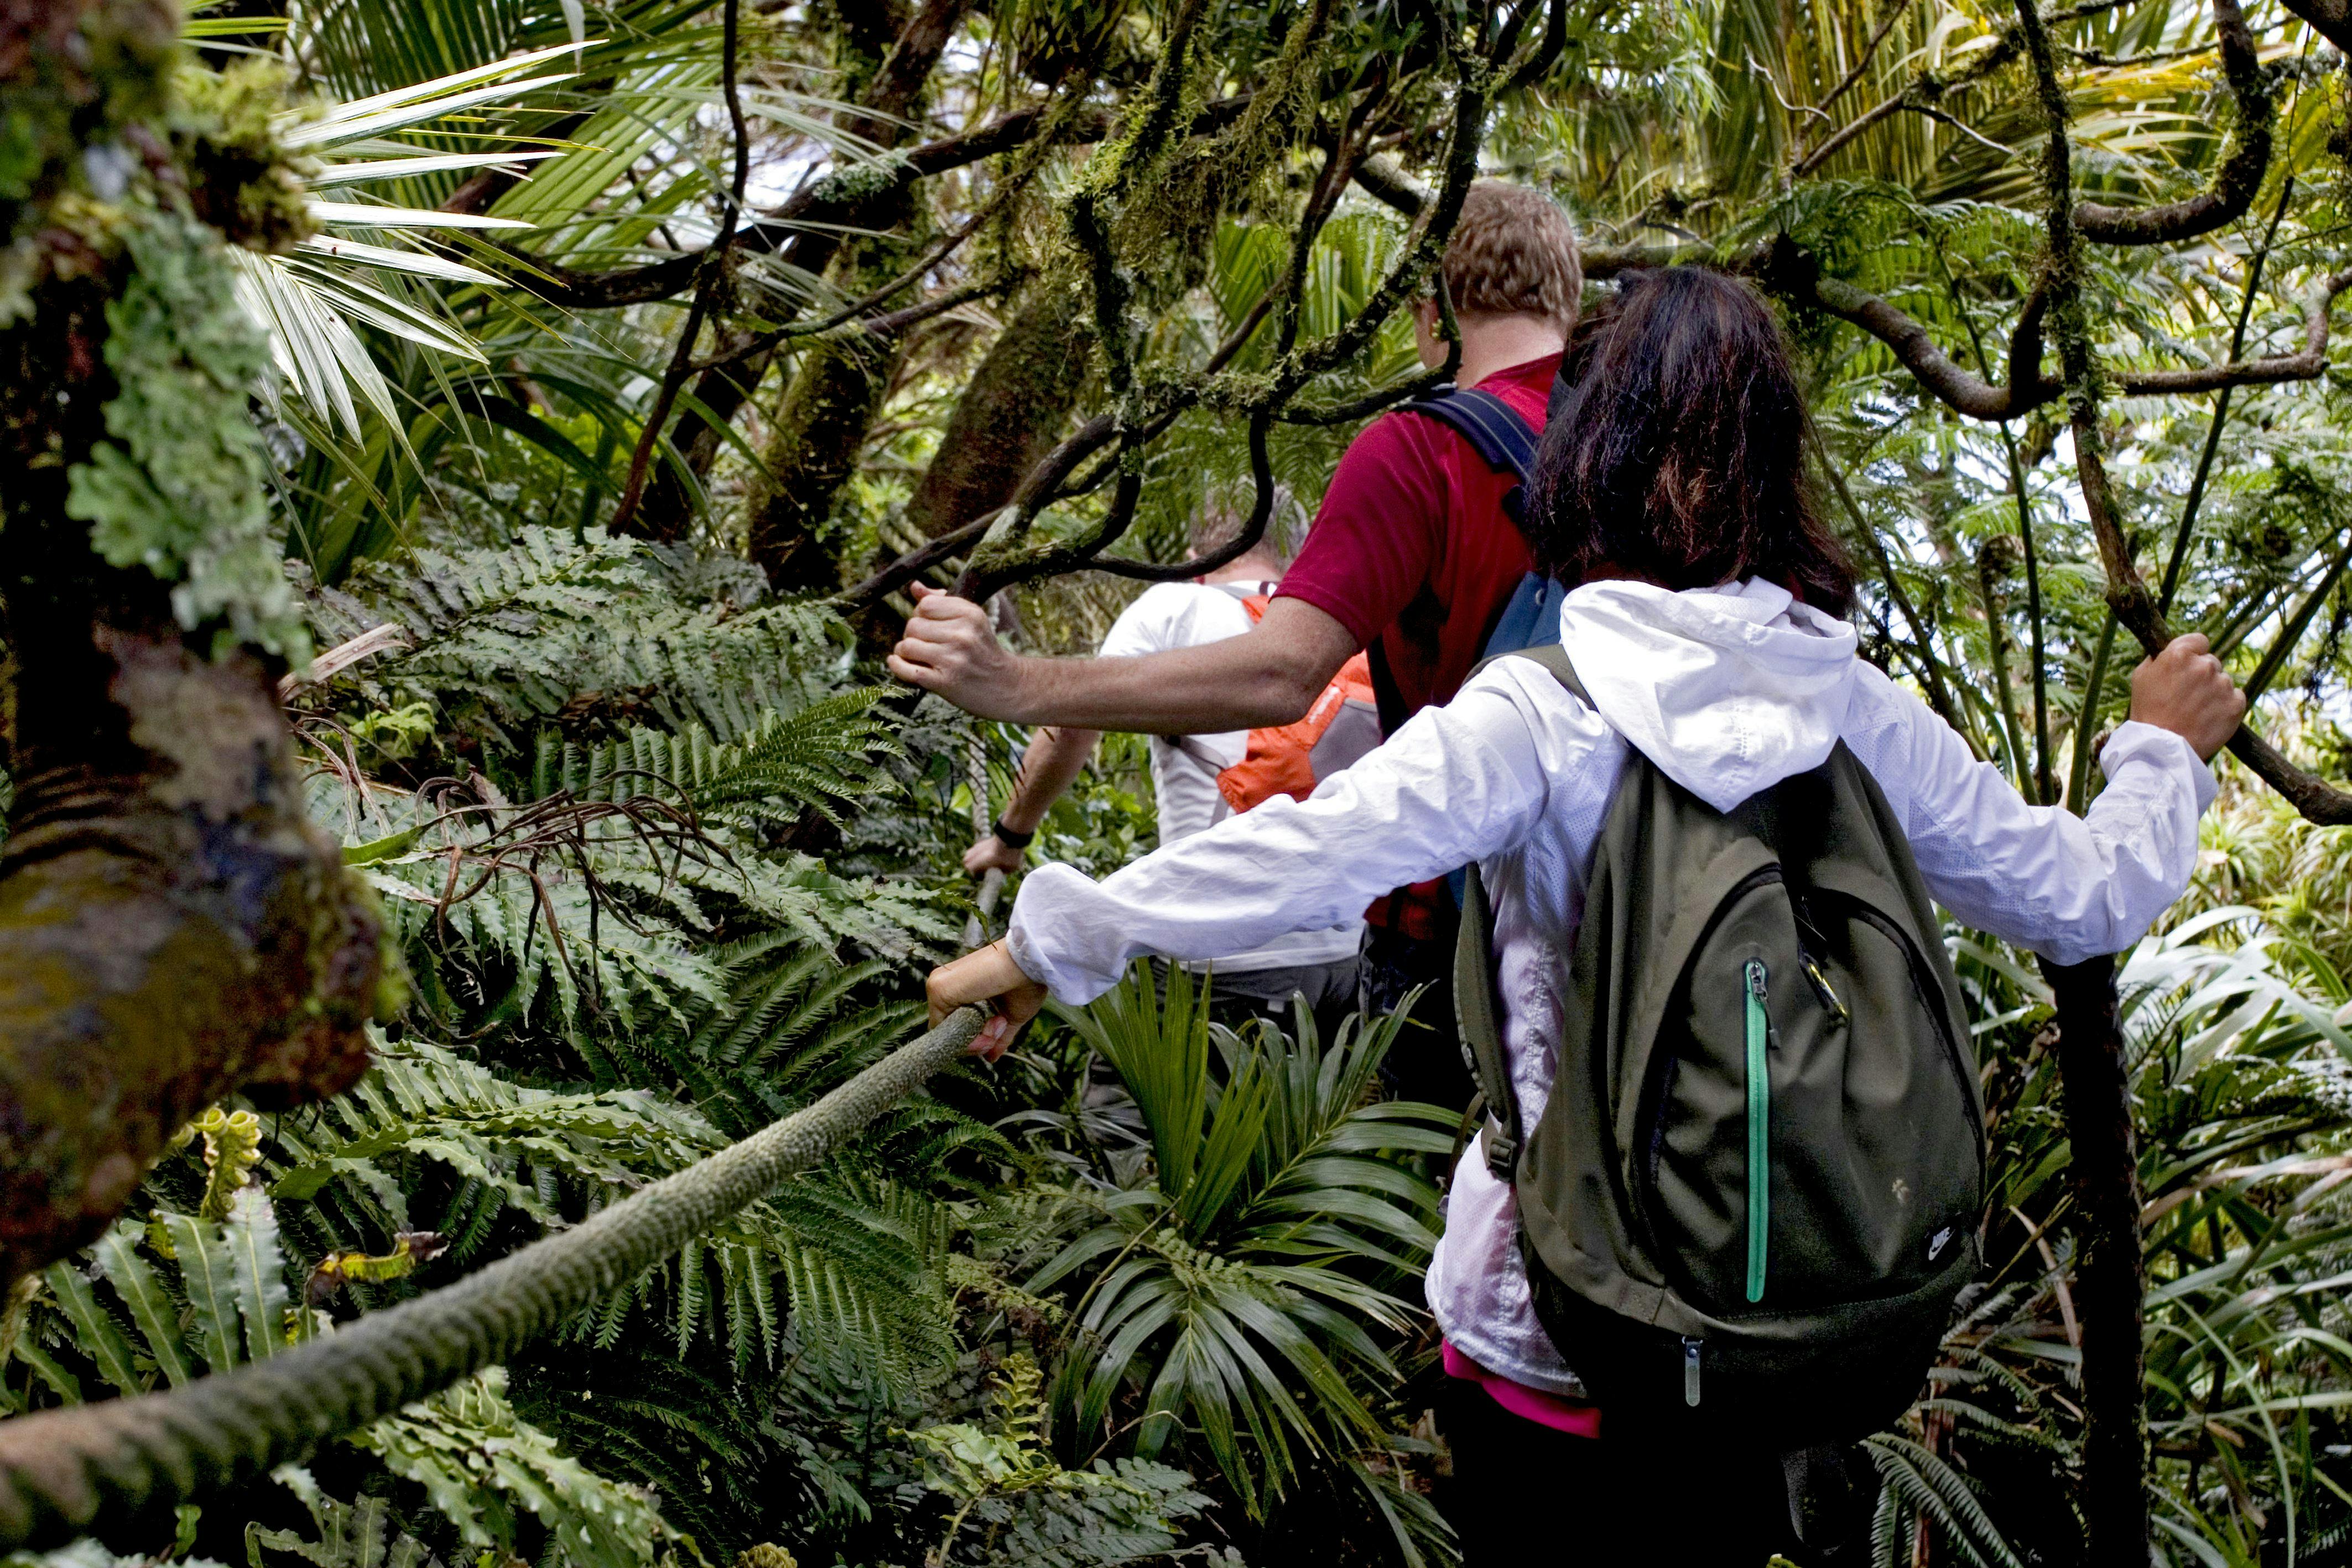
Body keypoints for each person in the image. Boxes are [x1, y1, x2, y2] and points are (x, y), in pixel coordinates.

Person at [922, 268, 2248, 1561]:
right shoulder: (1852, 707)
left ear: (1586, 457)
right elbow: (2084, 899)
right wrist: (2158, 750)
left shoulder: (1541, 713)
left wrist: (1050, 940)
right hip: (1771, 1334)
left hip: (1549, 1327)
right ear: (1776, 464)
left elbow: (1310, 858)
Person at [893, 181, 1586, 1105]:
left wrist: (1010, 683)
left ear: (1433, 314)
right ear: (1570, 305)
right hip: (1626, 921)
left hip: (1450, 925)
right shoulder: (1664, 456)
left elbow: (1280, 676)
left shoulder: (1424, 453)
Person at [961, 494, 1365, 1037]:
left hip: (1217, 956)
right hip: (1343, 959)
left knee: (1122, 1119)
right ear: (1294, 558)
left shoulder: (1176, 607)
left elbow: (1072, 726)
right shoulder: (1336, 636)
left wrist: (1010, 836)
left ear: (1198, 560)